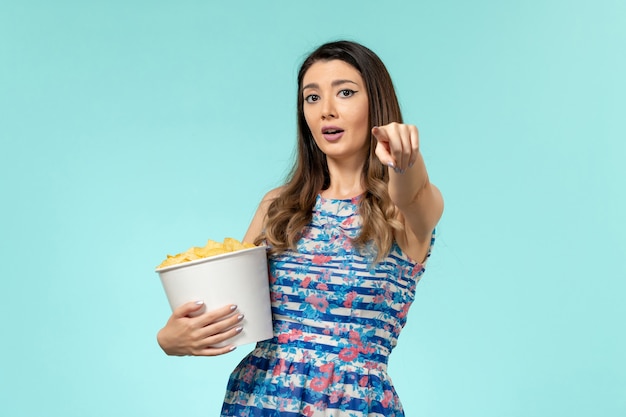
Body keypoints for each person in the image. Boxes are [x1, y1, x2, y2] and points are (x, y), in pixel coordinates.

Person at [157, 40, 444, 416]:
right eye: (312, 97)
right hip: (257, 402)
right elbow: (231, 311)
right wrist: (171, 339)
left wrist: (407, 160)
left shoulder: (403, 211)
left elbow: (414, 190)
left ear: (376, 103)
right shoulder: (279, 206)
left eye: (345, 93)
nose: (326, 110)